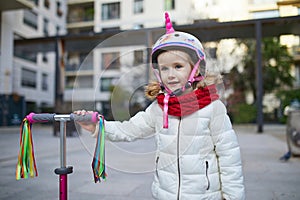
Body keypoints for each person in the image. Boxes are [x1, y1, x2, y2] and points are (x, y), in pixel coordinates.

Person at [75, 12, 245, 200]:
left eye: (178, 66)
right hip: (166, 194)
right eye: (164, 68)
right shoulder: (159, 108)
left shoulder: (213, 108)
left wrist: (232, 197)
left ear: (197, 69)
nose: (170, 74)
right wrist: (98, 127)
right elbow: (130, 129)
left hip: (204, 196)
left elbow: (230, 159)